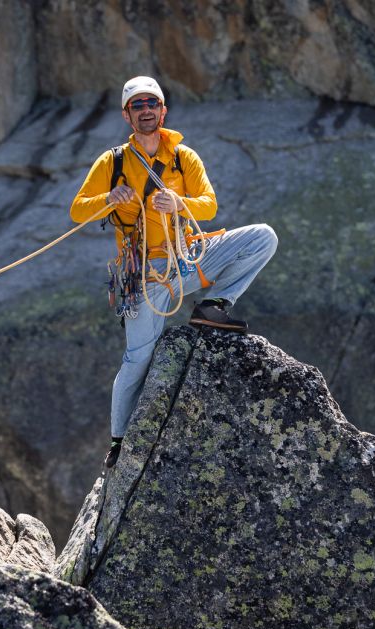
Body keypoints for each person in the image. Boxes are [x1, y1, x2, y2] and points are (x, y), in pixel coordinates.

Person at [70, 76, 277, 468]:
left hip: (187, 256)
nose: (146, 109)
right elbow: (78, 210)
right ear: (127, 115)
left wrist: (180, 202)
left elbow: (209, 206)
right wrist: (109, 198)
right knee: (138, 357)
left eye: (152, 102)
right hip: (144, 274)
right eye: (138, 104)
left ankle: (215, 304)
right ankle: (118, 440)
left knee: (263, 237)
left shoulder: (184, 158)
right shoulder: (112, 163)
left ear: (163, 111)